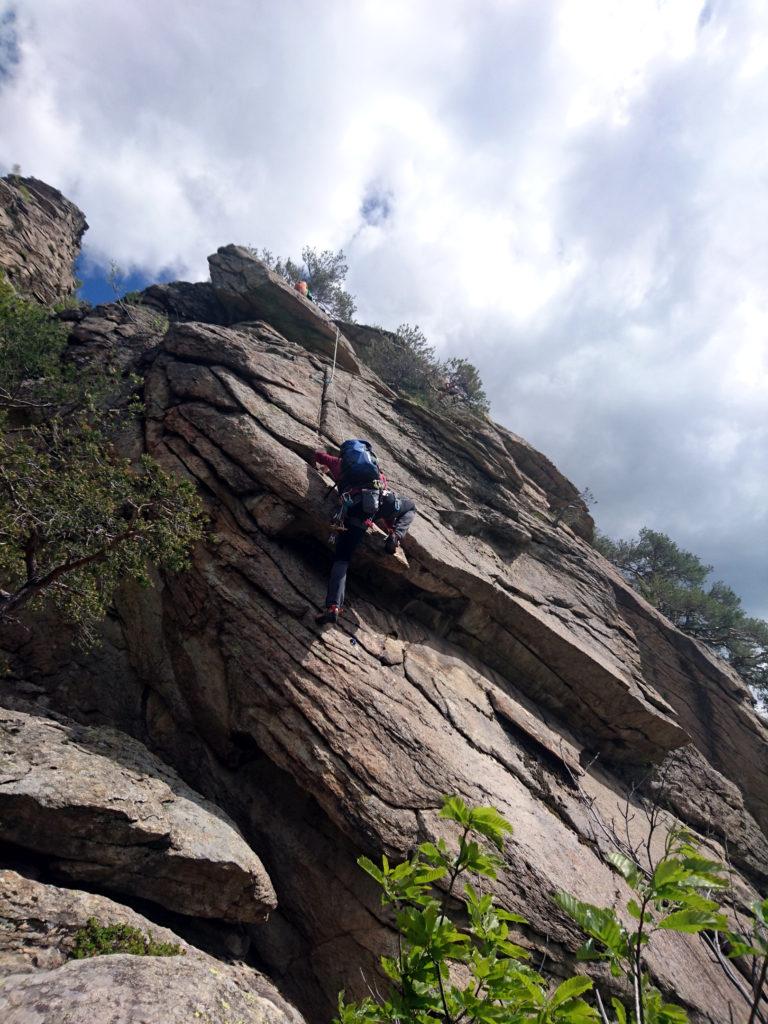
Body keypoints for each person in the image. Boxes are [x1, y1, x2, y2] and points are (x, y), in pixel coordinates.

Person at [312, 441, 416, 625]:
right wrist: (392, 529)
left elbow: (319, 454)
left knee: (342, 559)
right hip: (381, 505)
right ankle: (396, 536)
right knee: (409, 507)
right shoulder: (376, 469)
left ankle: (333, 607)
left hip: (355, 513)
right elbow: (378, 497)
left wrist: (321, 456)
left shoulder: (340, 463)